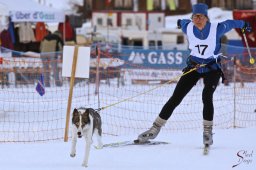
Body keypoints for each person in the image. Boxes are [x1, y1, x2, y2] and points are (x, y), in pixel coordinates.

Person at [136, 3, 251, 146]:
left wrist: (244, 24)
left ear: (206, 17)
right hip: (194, 67)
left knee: (206, 96)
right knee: (176, 97)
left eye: (200, 16)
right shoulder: (188, 26)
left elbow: (231, 23)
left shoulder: (217, 28)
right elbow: (182, 22)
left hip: (211, 68)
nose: (197, 19)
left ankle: (207, 132)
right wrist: (178, 22)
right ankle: (154, 129)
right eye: (195, 16)